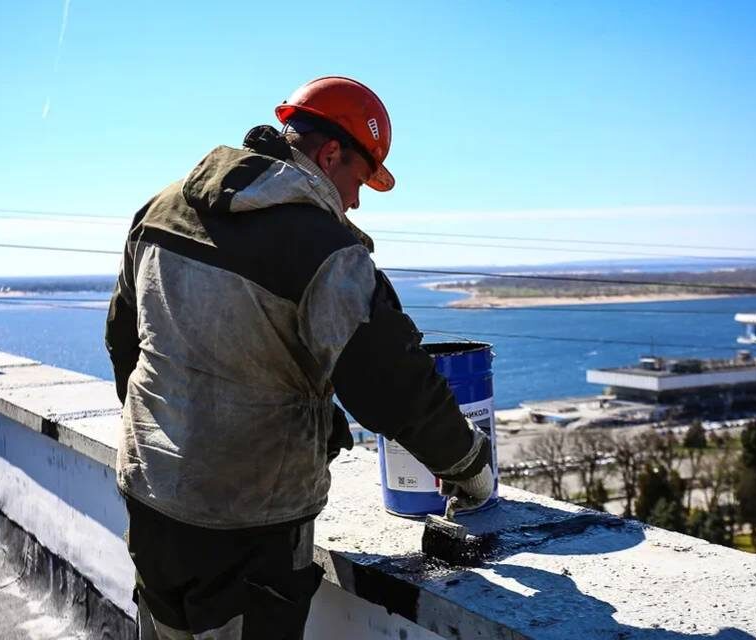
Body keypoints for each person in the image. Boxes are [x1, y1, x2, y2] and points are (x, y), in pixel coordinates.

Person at [104, 76, 494, 639]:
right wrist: (467, 464)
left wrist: (174, 441)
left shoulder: (161, 209)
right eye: (359, 180)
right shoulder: (324, 249)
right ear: (330, 153)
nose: (357, 200)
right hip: (248, 528)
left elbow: (127, 342)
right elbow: (392, 387)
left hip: (150, 501)